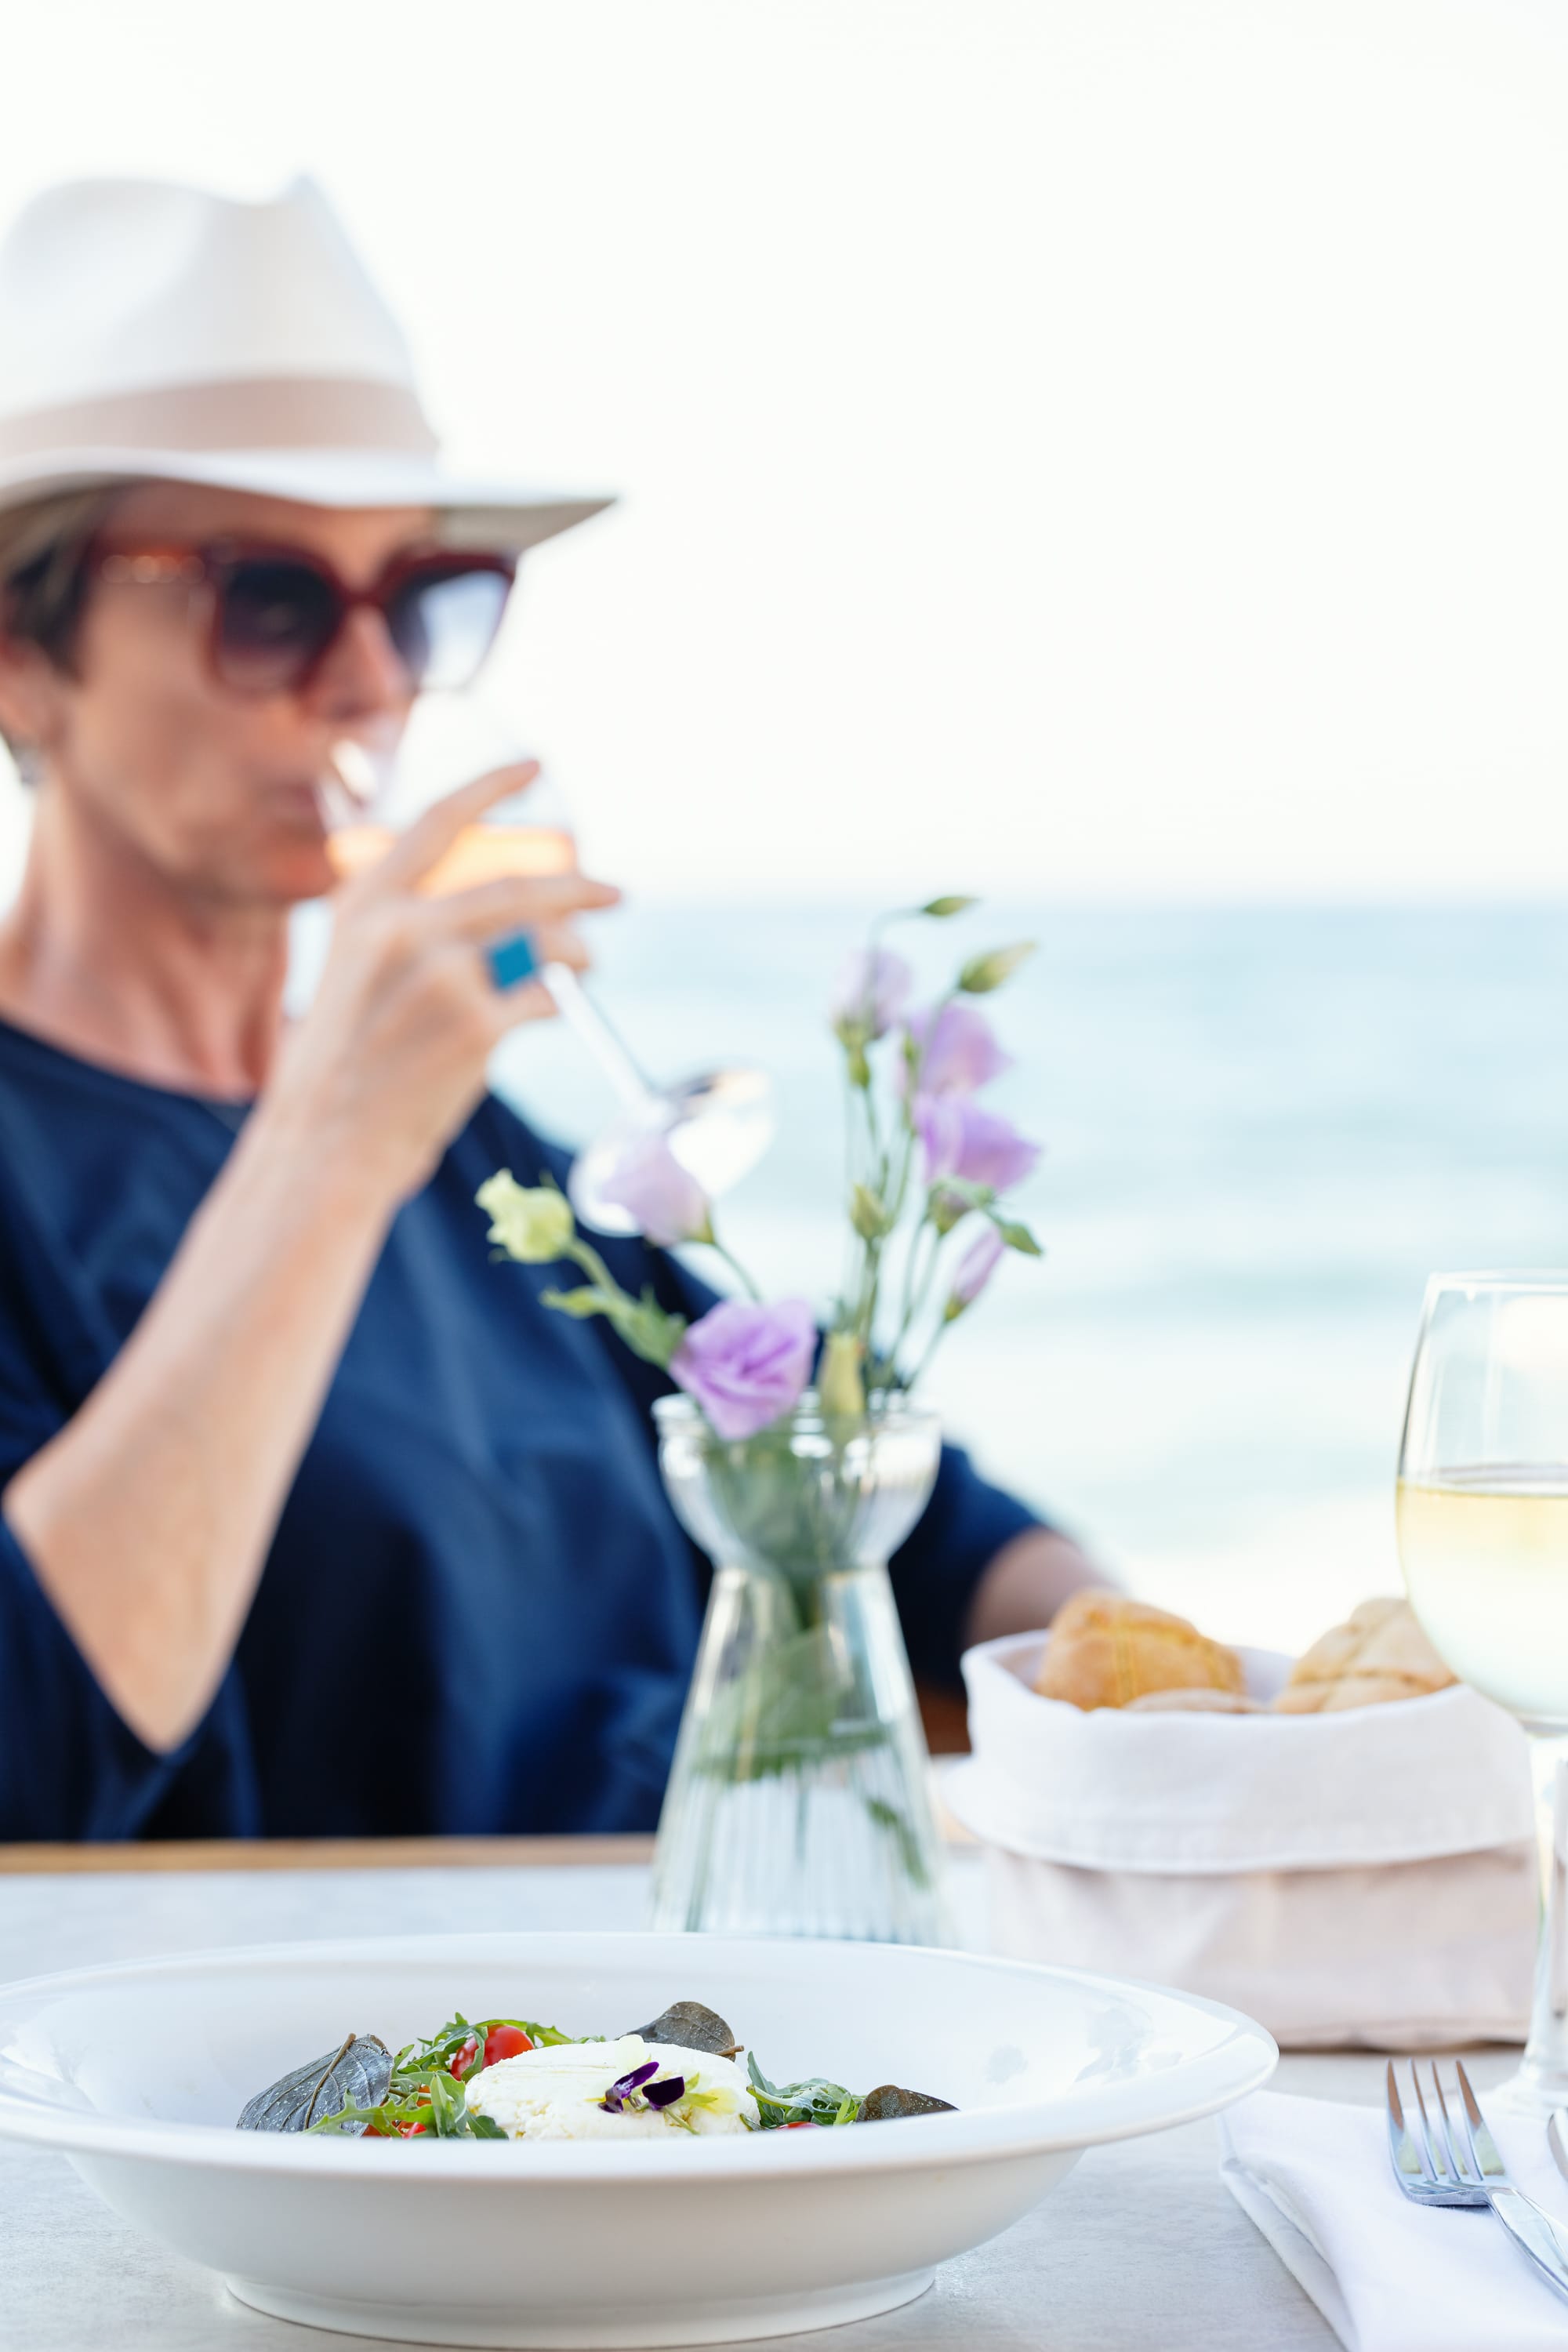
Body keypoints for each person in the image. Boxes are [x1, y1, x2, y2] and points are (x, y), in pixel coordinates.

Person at [0, 175, 1095, 1843]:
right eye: (268, 598)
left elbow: (901, 1513)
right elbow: (38, 1742)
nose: (371, 680)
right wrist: (333, 1142)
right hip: (330, 2017)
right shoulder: (298, 1138)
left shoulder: (470, 1149)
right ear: (22, 652)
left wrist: (1181, 1691)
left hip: (667, 1987)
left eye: (421, 598)